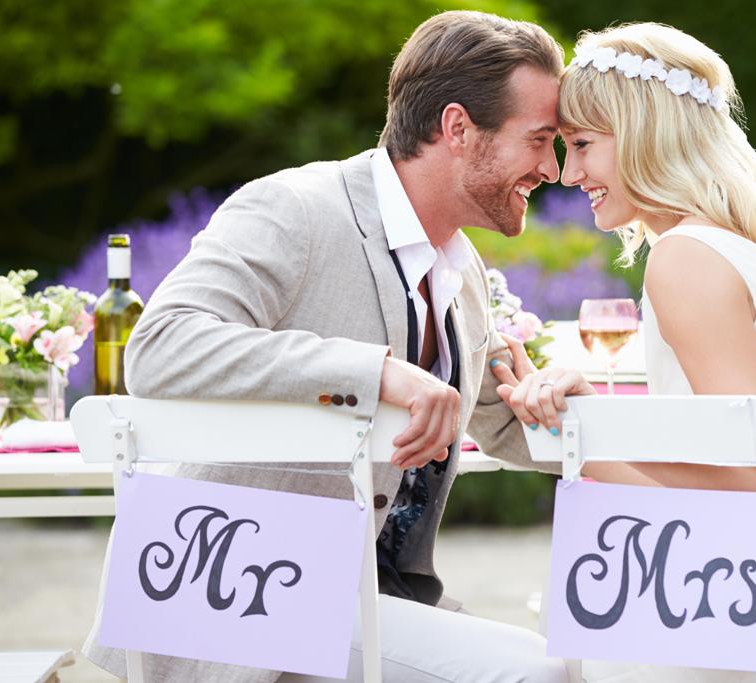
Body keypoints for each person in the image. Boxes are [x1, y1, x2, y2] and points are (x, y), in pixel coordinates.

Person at [82, 11, 571, 683]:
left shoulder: (463, 278)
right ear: (457, 128)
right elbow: (160, 346)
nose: (554, 169)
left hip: (360, 601)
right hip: (235, 601)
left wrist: (564, 410)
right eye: (540, 140)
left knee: (570, 660)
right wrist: (374, 373)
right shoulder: (296, 209)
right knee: (537, 673)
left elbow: (498, 420)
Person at [493, 22, 756, 682]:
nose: (568, 172)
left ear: (646, 134)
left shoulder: (686, 257)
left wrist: (583, 435)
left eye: (582, 144)